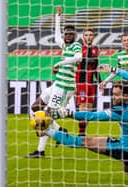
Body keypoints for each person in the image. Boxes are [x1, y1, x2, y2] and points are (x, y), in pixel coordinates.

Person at [35, 67, 128, 184]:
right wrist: (113, 70)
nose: (114, 98)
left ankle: (46, 131)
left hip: (125, 149)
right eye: (113, 94)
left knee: (83, 141)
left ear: (126, 95)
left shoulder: (121, 111)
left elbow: (93, 116)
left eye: (117, 95)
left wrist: (68, 113)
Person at [26, 6, 82, 158]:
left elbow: (79, 58)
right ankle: (60, 130)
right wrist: (58, 17)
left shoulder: (77, 46)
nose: (68, 35)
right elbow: (57, 36)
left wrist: (59, 64)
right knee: (36, 106)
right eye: (66, 33)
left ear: (75, 35)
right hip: (57, 84)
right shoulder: (64, 45)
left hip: (65, 87)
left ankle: (40, 151)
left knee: (46, 116)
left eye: (71, 33)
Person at [75, 28, 100, 136]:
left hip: (91, 83)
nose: (88, 37)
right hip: (81, 82)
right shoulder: (78, 49)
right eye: (86, 35)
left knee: (89, 108)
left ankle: (83, 132)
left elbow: (95, 67)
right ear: (83, 37)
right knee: (83, 107)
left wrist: (100, 81)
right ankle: (80, 134)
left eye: (90, 35)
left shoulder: (96, 49)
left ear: (93, 37)